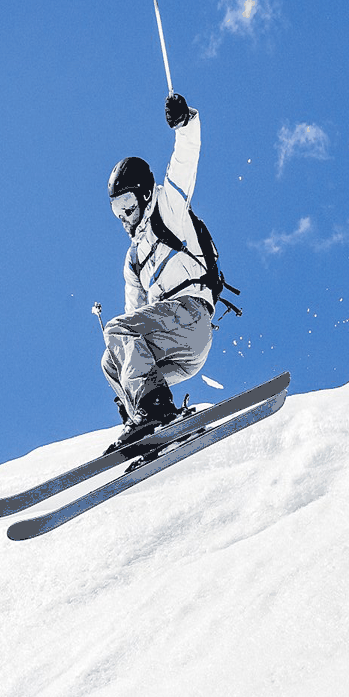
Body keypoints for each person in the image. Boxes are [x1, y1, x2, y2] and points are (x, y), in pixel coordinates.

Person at [101, 91, 214, 449]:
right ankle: (146, 420)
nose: (124, 218)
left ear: (145, 194)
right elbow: (135, 321)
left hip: (191, 318)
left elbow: (185, 160)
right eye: (117, 211)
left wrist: (185, 123)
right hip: (171, 350)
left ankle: (156, 411)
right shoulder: (133, 259)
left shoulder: (169, 207)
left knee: (117, 329)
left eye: (128, 206)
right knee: (110, 359)